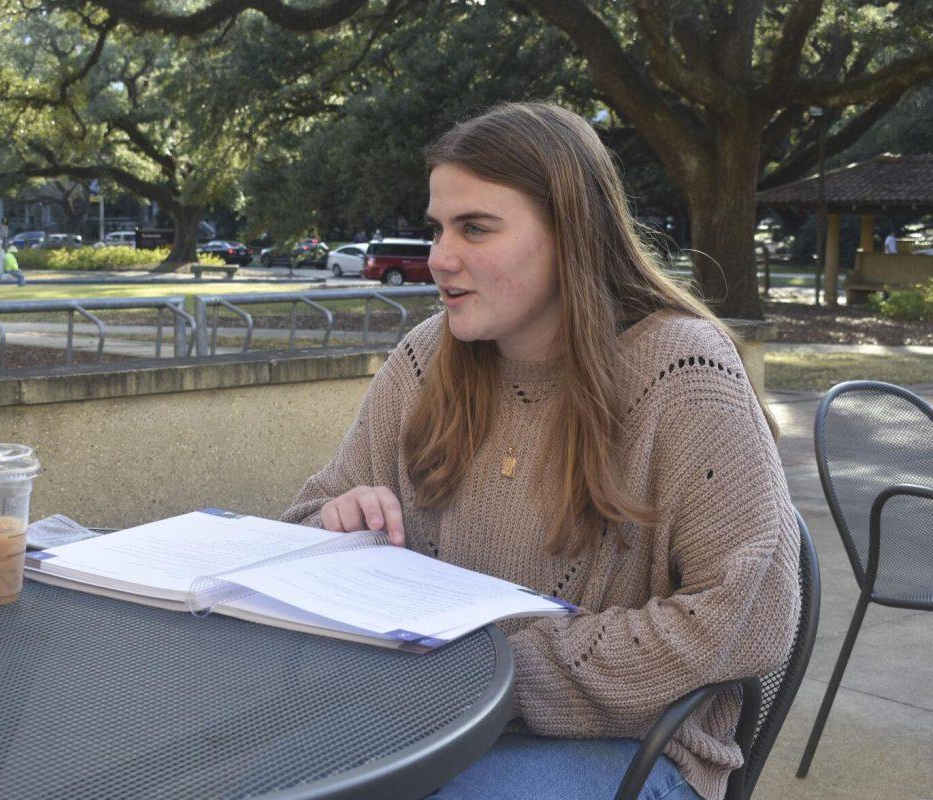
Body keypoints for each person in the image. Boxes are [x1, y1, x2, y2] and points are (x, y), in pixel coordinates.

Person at [281, 102, 800, 800]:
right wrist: (338, 526)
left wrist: (492, 677)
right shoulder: (427, 358)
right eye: (438, 228)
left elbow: (745, 618)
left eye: (475, 228)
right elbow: (299, 528)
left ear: (570, 233)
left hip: (639, 751)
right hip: (425, 722)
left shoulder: (683, 372)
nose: (439, 257)